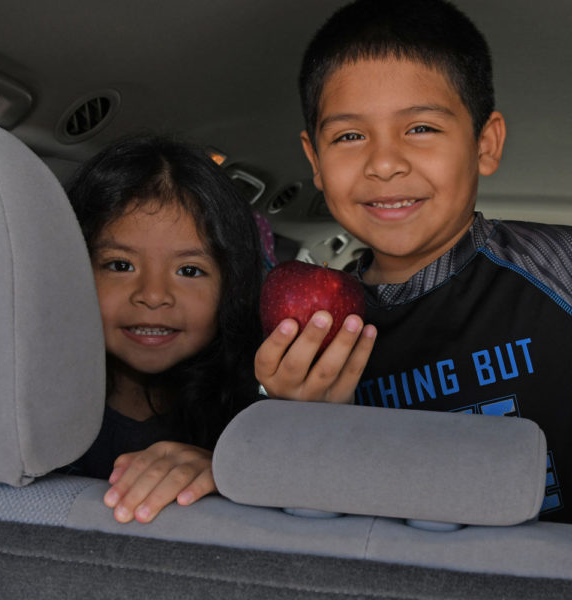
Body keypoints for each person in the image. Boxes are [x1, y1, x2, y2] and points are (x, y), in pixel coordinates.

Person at [255, 0, 572, 523]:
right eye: (350, 136)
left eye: (421, 128)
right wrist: (299, 421)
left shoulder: (557, 269)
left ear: (484, 144)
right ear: (315, 161)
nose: (383, 163)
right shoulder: (308, 333)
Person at [66, 134, 263, 523]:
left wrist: (230, 473)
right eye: (120, 265)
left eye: (189, 270)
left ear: (231, 288)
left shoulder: (249, 422)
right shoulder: (29, 410)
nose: (153, 295)